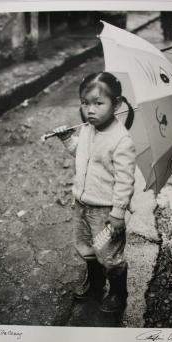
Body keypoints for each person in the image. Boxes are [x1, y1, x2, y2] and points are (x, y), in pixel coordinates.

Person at [50, 72, 136, 313]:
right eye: (85, 103)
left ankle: (119, 291)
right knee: (86, 246)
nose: (90, 110)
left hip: (106, 212)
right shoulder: (88, 129)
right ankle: (96, 283)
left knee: (108, 253)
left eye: (99, 103)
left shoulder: (122, 140)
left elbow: (125, 180)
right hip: (82, 205)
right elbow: (82, 155)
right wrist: (68, 138)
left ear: (117, 104)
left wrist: (118, 212)